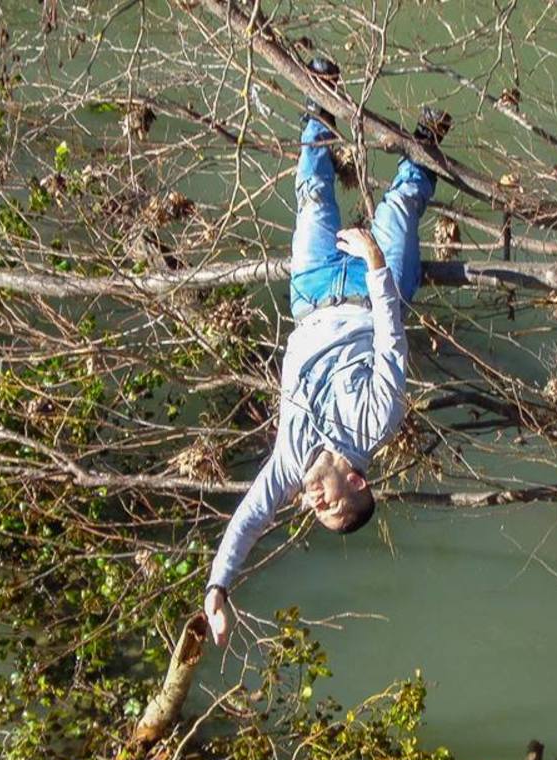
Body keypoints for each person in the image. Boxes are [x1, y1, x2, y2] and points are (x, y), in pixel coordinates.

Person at [203, 59, 451, 646]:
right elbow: (393, 342)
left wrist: (218, 588)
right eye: (332, 507)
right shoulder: (374, 424)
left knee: (314, 194)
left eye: (318, 512)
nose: (316, 502)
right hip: (371, 292)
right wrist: (374, 265)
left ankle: (320, 94)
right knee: (400, 203)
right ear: (359, 486)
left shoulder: (291, 465)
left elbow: (249, 521)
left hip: (312, 293)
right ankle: (428, 138)